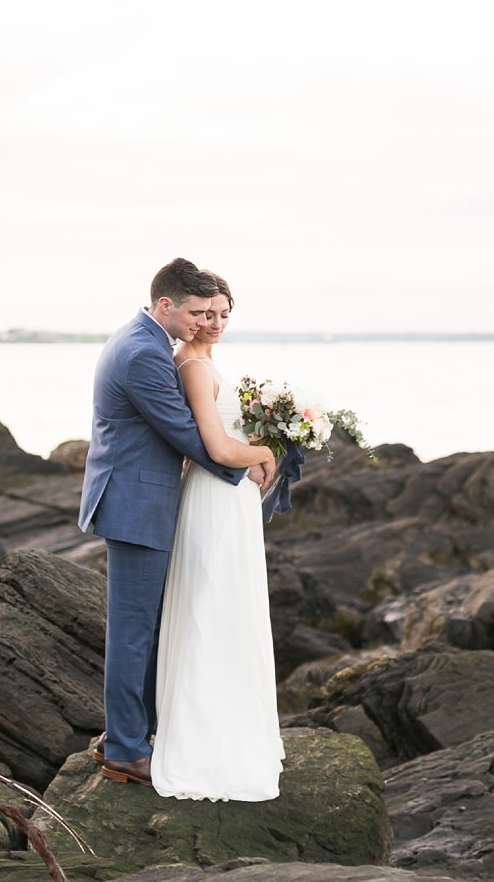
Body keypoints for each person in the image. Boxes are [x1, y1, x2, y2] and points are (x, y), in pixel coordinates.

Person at [76, 257, 269, 788]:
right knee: (133, 634)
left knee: (148, 628)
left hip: (142, 498)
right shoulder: (142, 353)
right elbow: (185, 432)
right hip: (136, 505)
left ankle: (134, 734)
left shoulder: (147, 340)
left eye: (214, 313)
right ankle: (123, 749)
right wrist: (249, 461)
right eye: (195, 312)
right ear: (165, 304)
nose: (202, 323)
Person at [148, 274, 285, 800]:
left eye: (224, 314)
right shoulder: (194, 366)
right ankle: (207, 744)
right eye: (206, 314)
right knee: (215, 608)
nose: (215, 323)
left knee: (229, 608)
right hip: (214, 498)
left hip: (228, 501)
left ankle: (234, 728)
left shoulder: (202, 361)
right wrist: (265, 452)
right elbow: (215, 446)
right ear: (184, 311)